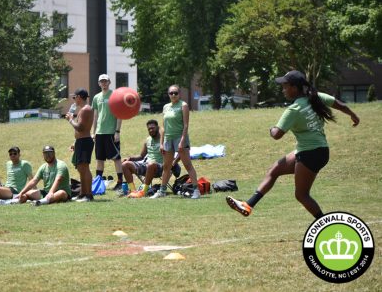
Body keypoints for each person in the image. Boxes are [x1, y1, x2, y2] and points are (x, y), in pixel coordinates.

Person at [226, 70, 360, 218]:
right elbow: (339, 104)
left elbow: (277, 135)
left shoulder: (294, 110)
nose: (283, 90)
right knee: (275, 169)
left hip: (310, 154)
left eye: (285, 87)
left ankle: (324, 224)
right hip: (318, 151)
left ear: (295, 88)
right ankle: (248, 205)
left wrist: (271, 129)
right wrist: (353, 115)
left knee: (302, 195)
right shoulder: (316, 97)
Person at [151, 85, 200, 199]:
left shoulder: (183, 105)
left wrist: (182, 141)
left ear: (179, 94)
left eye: (175, 93)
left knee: (187, 165)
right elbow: (162, 127)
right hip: (168, 139)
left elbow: (186, 125)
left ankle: (196, 190)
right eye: (171, 93)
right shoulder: (166, 107)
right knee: (166, 166)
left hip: (179, 137)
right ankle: (162, 191)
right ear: (168, 94)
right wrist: (162, 143)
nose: (173, 95)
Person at [123, 119, 181, 198]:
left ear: (158, 128)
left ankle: (143, 192)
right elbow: (141, 156)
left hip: (161, 168)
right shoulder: (147, 140)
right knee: (125, 165)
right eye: (149, 129)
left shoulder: (165, 139)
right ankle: (133, 191)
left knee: (151, 164)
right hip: (146, 165)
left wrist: (173, 163)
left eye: (153, 128)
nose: (150, 130)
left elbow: (180, 152)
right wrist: (130, 158)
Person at [91, 74, 124, 192]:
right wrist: (93, 132)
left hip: (111, 132)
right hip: (99, 133)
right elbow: (95, 116)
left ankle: (120, 182)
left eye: (105, 81)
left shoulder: (114, 95)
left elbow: (119, 114)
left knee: (116, 158)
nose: (104, 84)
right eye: (102, 82)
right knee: (99, 159)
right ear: (99, 83)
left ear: (109, 82)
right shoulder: (96, 97)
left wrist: (117, 131)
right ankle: (98, 184)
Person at [66, 88, 95, 202]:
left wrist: (70, 119)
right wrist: (75, 142)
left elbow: (80, 127)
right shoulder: (84, 109)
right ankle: (83, 193)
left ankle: (88, 195)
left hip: (84, 141)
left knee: (84, 168)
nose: (74, 100)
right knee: (81, 168)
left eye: (74, 97)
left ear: (79, 97)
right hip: (81, 141)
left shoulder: (85, 110)